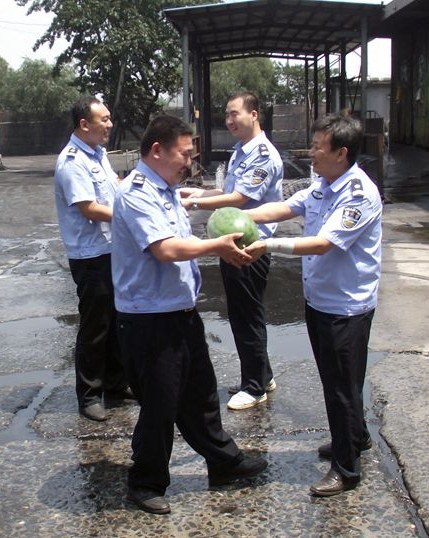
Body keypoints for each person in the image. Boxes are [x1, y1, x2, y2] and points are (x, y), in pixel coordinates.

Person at [111, 115, 268, 514]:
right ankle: (145, 482)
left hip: (179, 309)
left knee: (201, 394)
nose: (189, 162)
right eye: (183, 154)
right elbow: (165, 249)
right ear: (157, 150)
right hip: (150, 318)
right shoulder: (136, 193)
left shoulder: (166, 190)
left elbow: (181, 241)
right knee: (161, 404)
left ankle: (224, 462)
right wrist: (216, 246)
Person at [243, 114, 382, 497]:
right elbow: (284, 208)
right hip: (320, 300)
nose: (311, 152)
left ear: (341, 153)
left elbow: (323, 243)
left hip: (345, 308)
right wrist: (236, 215)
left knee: (341, 388)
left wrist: (267, 245)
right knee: (341, 381)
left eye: (319, 146)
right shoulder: (324, 184)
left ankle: (346, 469)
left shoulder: (359, 194)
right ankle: (355, 436)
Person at [179, 91, 283, 411]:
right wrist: (197, 192)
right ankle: (262, 375)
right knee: (242, 312)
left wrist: (195, 204)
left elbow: (239, 199)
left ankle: (254, 387)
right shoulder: (242, 150)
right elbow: (227, 191)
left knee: (247, 315)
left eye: (234, 113)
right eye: (226, 115)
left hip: (249, 246)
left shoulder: (262, 154)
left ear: (254, 114)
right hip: (234, 242)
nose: (229, 120)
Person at [53, 95, 130, 422]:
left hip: (110, 249)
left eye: (109, 118)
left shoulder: (97, 155)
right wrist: (130, 216)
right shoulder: (73, 161)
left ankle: (115, 385)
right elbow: (89, 208)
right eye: (104, 120)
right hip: (90, 255)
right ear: (84, 124)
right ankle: (88, 395)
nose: (109, 125)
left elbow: (113, 190)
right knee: (95, 326)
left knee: (115, 321)